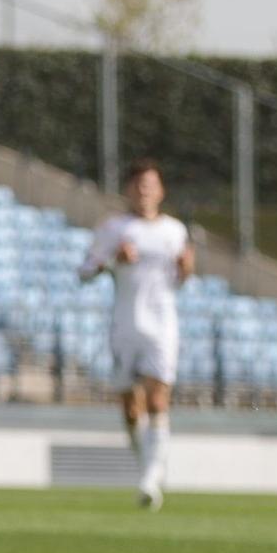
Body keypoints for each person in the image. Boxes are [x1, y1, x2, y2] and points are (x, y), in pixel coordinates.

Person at [79, 160, 193, 509]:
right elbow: (85, 271)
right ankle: (148, 468)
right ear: (129, 189)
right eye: (138, 185)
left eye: (150, 185)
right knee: (131, 408)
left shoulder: (174, 231)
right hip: (126, 323)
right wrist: (114, 259)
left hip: (162, 324)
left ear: (161, 191)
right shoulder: (114, 228)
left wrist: (187, 270)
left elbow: (181, 278)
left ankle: (151, 478)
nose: (144, 191)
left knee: (158, 398)